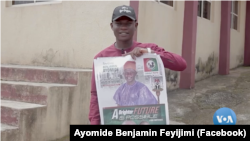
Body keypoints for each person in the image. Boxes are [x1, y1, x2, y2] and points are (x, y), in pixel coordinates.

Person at [89, 5, 187, 125]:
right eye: (119, 23)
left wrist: (150, 53)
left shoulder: (148, 49)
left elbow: (181, 64)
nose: (123, 27)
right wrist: (94, 123)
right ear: (112, 26)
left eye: (128, 23)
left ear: (135, 25)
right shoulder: (101, 58)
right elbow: (95, 95)